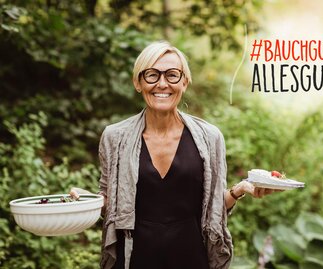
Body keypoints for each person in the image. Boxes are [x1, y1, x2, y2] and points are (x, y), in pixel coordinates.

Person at [71, 41, 277, 269]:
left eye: (172, 75)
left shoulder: (209, 138)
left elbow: (214, 209)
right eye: (151, 75)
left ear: (184, 82)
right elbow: (111, 205)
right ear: (138, 82)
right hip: (133, 259)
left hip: (190, 259)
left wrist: (239, 190)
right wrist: (87, 201)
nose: (162, 83)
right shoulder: (115, 137)